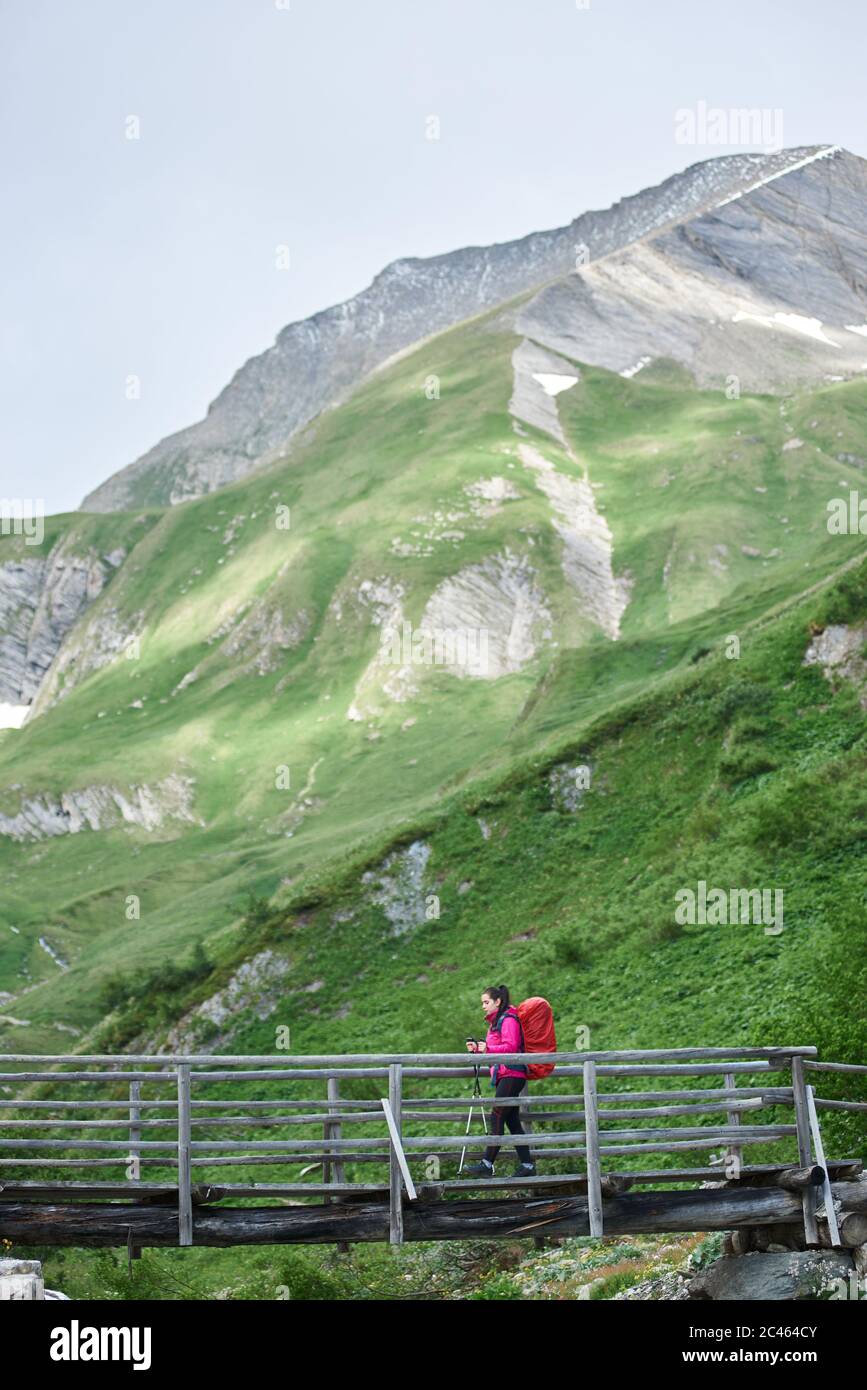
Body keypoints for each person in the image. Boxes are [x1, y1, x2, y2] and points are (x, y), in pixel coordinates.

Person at [464, 984, 536, 1178]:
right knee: (512, 1121)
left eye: (486, 1002)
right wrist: (479, 1049)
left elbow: (511, 1046)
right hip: (506, 1074)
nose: (483, 1006)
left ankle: (487, 1164)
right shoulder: (496, 1022)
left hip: (512, 1073)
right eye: (482, 1003)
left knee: (496, 1115)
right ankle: (528, 1166)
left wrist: (486, 1049)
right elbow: (496, 1048)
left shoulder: (508, 1019)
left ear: (498, 1002)